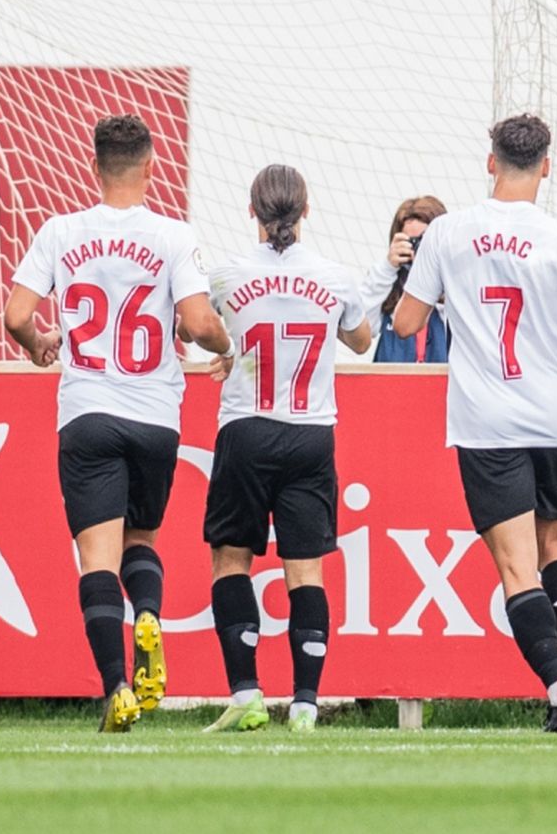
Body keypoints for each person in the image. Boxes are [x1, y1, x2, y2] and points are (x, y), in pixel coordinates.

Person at [391, 113, 557, 733]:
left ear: (490, 163)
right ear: (548, 167)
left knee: (516, 569)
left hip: (489, 425)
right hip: (556, 421)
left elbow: (404, 324)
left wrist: (444, 290)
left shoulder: (448, 234)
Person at [3, 114, 233, 733]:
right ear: (151, 167)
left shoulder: (61, 231)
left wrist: (38, 343)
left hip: (88, 411)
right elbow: (199, 318)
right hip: (155, 414)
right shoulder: (172, 235)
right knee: (143, 542)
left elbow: (16, 312)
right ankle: (150, 614)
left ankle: (115, 690)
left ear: (94, 166)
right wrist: (224, 345)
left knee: (96, 560)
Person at [196, 165, 372, 734]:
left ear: (252, 211)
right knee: (307, 571)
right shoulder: (333, 277)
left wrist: (231, 350)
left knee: (231, 559)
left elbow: (198, 328)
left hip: (246, 429)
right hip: (310, 433)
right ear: (306, 211)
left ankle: (246, 692)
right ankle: (305, 704)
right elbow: (361, 340)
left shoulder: (224, 277)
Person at [361, 196, 450, 362]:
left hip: (441, 383)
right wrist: (387, 268)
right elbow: (361, 328)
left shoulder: (454, 287)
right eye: (413, 242)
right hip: (392, 384)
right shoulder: (389, 286)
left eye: (425, 241)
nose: (419, 249)